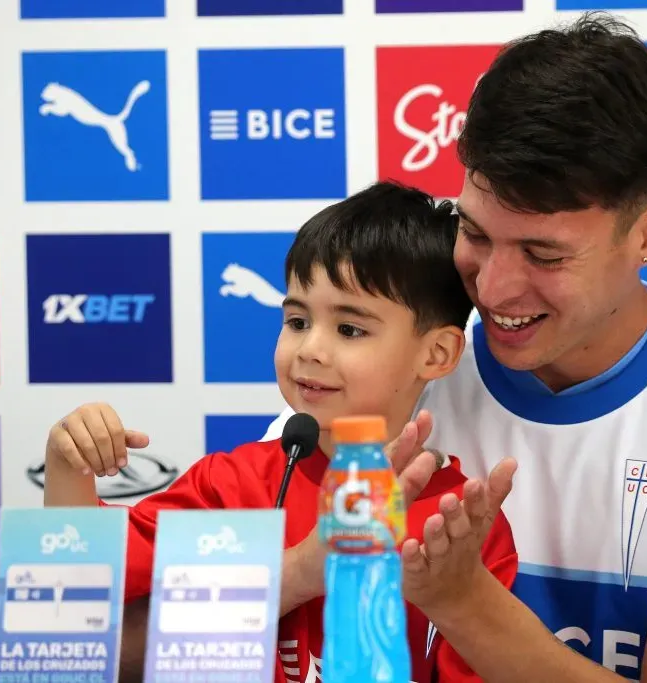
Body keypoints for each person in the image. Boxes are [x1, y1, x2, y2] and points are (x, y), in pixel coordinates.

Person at [261, 11, 647, 683]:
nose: (494, 286)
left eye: (543, 253)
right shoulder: (387, 374)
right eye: (475, 234)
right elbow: (177, 637)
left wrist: (464, 601)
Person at [42, 181, 518, 683]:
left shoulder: (461, 525)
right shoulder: (231, 484)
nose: (309, 348)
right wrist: (66, 464)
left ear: (437, 354)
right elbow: (81, 599)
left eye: (349, 329)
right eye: (296, 320)